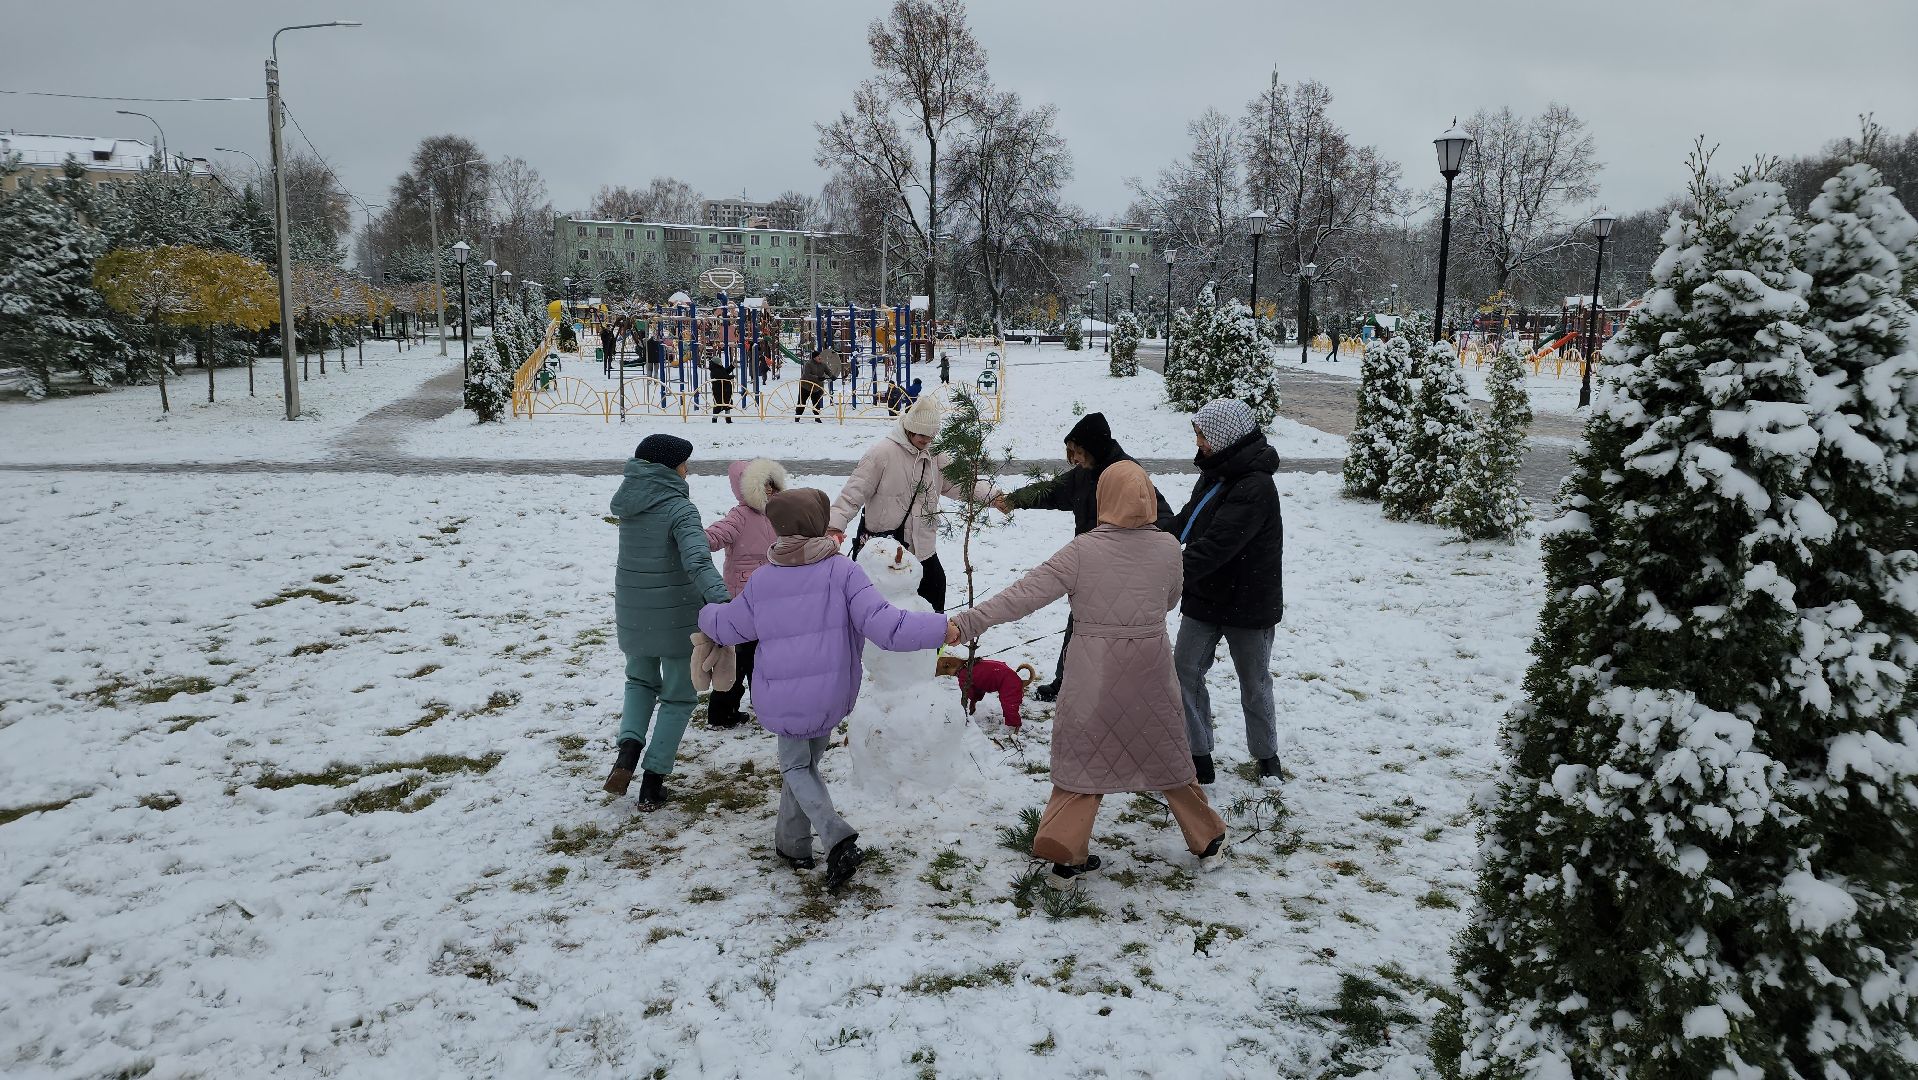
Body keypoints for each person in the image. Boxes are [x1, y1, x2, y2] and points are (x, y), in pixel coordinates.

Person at [948, 461, 1228, 888]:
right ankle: (1207, 838)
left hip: (1092, 671)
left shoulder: (1082, 550)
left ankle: (1065, 850)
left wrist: (968, 623)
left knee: (1084, 757)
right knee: (1167, 753)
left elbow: (1025, 593)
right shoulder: (1170, 547)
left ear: (1104, 499)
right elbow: (1171, 599)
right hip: (1150, 666)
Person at [699, 488, 948, 890]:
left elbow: (731, 625)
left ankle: (836, 837)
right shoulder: (843, 572)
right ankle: (792, 845)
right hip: (831, 691)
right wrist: (942, 627)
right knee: (805, 767)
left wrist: (705, 613)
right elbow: (886, 625)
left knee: (796, 767)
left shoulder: (764, 579)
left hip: (782, 695)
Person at [1002, 412, 1175, 702]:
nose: (1076, 459)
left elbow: (1165, 519)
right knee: (1078, 627)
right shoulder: (1084, 474)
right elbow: (1052, 492)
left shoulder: (1128, 475)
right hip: (1091, 569)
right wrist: (1015, 499)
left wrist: (1141, 551)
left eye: (1080, 452)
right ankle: (1065, 683)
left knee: (1112, 641)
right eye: (1072, 453)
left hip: (1124, 575)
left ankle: (1109, 694)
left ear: (1095, 448)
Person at [604, 434, 734, 810]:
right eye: (683, 463)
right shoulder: (679, 508)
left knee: (639, 682)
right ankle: (653, 782)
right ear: (669, 467)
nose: (687, 469)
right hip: (676, 617)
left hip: (634, 614)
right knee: (678, 697)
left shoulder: (630, 503)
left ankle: (627, 751)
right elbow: (697, 561)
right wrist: (723, 601)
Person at [1170, 399, 1284, 785]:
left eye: (1202, 434)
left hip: (1248, 602)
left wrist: (1166, 573)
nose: (1198, 442)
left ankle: (1267, 757)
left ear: (1223, 437)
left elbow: (1218, 544)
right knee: (1184, 672)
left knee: (1253, 683)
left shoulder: (1255, 485)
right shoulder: (1215, 473)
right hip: (1206, 597)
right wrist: (1153, 540)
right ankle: (1198, 755)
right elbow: (1189, 522)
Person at [828, 395, 1003, 612]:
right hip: (888, 550)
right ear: (909, 429)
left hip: (924, 549)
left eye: (931, 435)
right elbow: (852, 494)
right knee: (889, 608)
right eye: (922, 435)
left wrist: (993, 497)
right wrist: (835, 526)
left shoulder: (936, 455)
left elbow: (959, 483)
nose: (927, 440)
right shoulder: (882, 453)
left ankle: (933, 645)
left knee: (935, 593)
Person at [703, 458, 790, 728]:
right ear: (748, 489)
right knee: (737, 658)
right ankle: (722, 712)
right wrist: (696, 538)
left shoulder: (780, 513)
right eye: (765, 487)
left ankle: (765, 705)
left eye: (774, 486)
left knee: (763, 657)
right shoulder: (739, 516)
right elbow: (717, 535)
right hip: (742, 597)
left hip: (772, 597)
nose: (771, 492)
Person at [796, 348, 831, 422]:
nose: (820, 357)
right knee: (802, 402)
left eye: (820, 356)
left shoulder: (823, 364)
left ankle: (817, 417)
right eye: (818, 356)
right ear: (814, 358)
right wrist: (818, 378)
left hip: (815, 387)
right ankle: (797, 416)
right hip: (806, 386)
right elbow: (807, 375)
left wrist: (832, 375)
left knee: (816, 402)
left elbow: (828, 371)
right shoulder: (808, 364)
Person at [708, 351, 736, 423]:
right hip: (719, 390)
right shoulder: (715, 370)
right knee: (718, 405)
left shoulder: (718, 368)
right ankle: (714, 419)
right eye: (720, 362)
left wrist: (731, 367)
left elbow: (725, 372)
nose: (721, 363)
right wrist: (731, 377)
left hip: (724, 390)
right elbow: (723, 376)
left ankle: (728, 419)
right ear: (717, 363)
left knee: (727, 404)